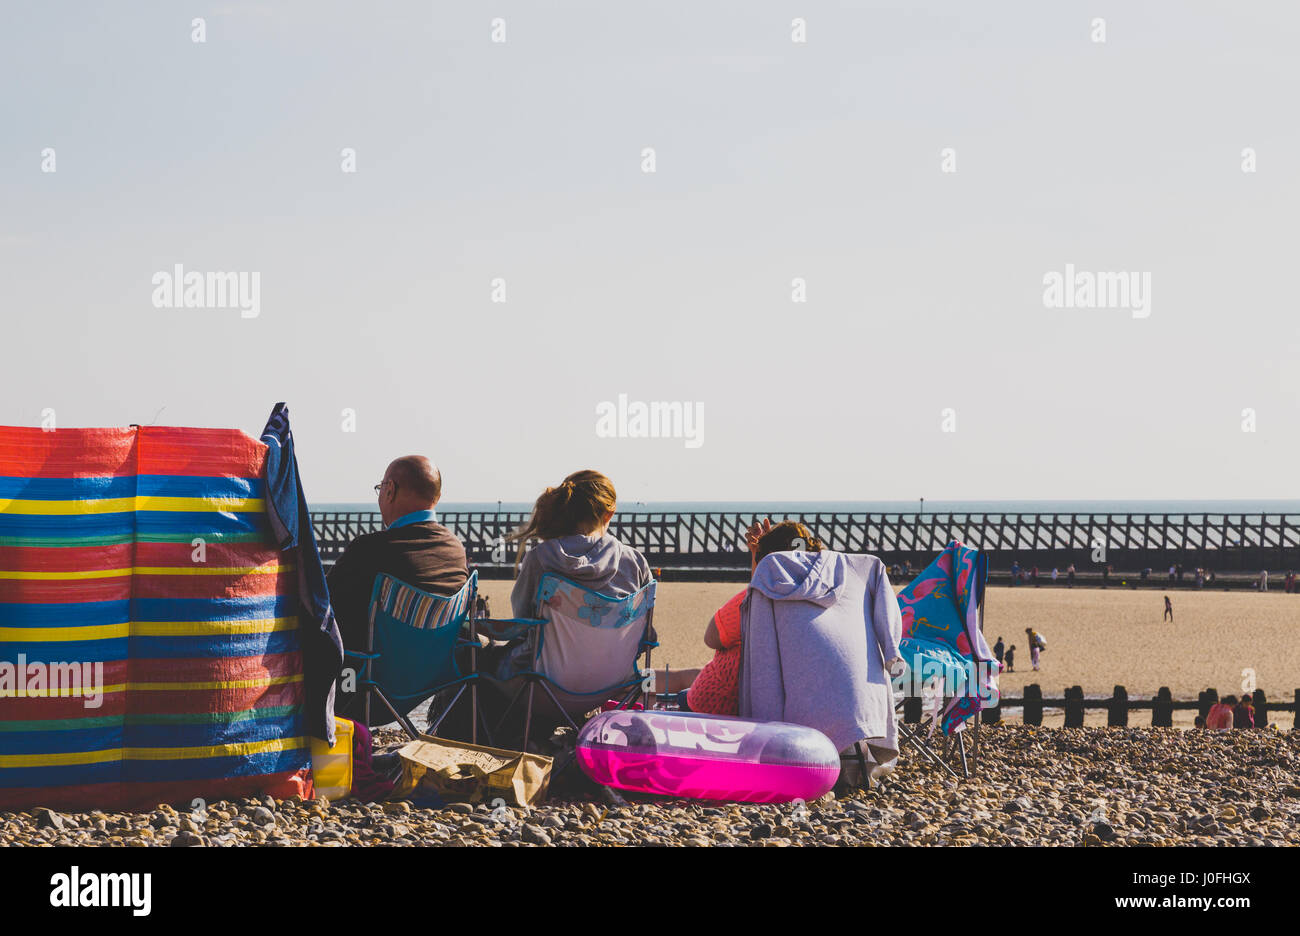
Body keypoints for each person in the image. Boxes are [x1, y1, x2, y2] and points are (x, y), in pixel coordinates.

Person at [329, 456, 469, 719]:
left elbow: (322, 607)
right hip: (429, 682)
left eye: (381, 488)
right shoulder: (455, 550)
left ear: (390, 490)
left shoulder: (370, 550)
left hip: (364, 688)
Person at [682, 520, 822, 715]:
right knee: (681, 680)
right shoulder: (820, 600)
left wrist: (760, 556)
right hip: (778, 709)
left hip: (716, 705)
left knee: (671, 697)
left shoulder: (754, 602)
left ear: (768, 561)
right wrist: (761, 553)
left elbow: (711, 637)